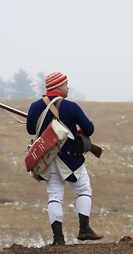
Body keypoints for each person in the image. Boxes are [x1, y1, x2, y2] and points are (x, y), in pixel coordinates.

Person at [26, 71, 102, 245]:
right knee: (83, 189)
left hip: (47, 158)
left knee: (54, 195)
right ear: (59, 87)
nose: (68, 87)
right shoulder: (71, 107)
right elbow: (89, 129)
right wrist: (77, 130)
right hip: (71, 159)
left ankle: (58, 239)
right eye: (66, 84)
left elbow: (31, 130)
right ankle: (84, 229)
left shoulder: (34, 107)